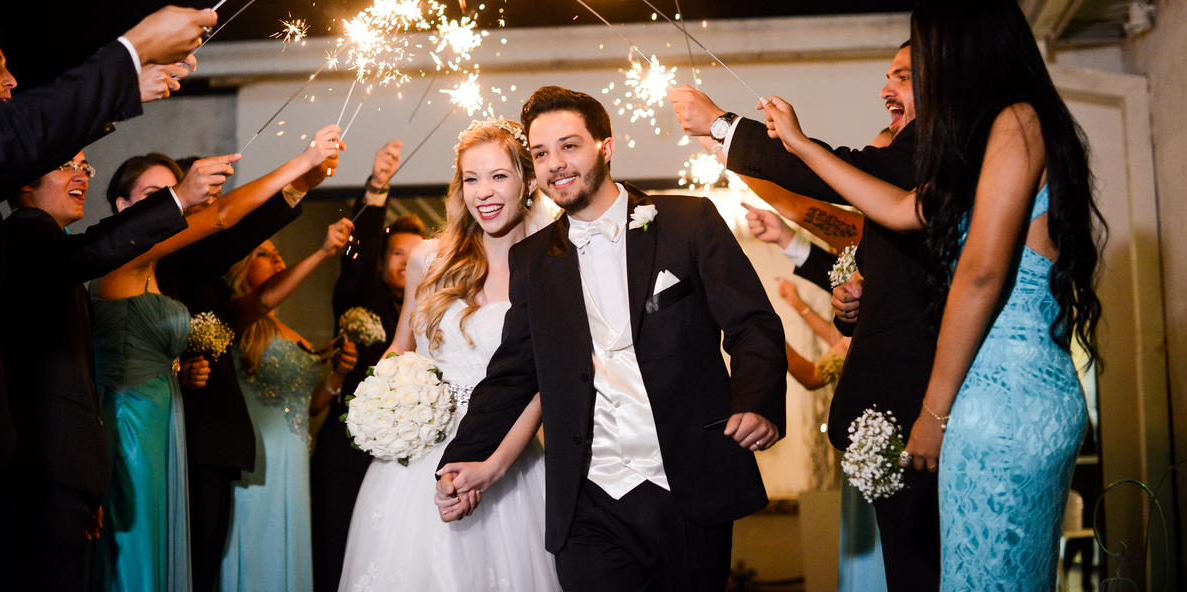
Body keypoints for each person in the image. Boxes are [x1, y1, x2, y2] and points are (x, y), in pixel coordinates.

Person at [760, 0, 1103, 591]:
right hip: (1005, 393)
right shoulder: (1007, 133)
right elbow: (899, 209)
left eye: (928, 48)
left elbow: (981, 274)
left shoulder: (1017, 121)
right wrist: (800, 145)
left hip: (1001, 400)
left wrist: (934, 413)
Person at [438, 89, 788, 592]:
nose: (555, 164)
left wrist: (756, 402)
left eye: (569, 146)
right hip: (587, 499)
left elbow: (752, 323)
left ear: (606, 147)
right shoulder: (533, 260)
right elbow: (514, 371)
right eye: (540, 154)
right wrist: (462, 458)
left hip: (687, 484)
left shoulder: (689, 222)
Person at [670, 43, 940, 591]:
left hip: (921, 415)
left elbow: (822, 193)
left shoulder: (928, 165)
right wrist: (850, 303)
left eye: (903, 78)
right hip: (886, 419)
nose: (886, 91)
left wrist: (725, 126)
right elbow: (864, 259)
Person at [90, 127, 342, 592]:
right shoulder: (113, 260)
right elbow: (223, 217)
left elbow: (225, 232)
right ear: (123, 208)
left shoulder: (165, 264)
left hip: (174, 424)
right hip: (133, 423)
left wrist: (299, 184)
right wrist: (300, 163)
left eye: (175, 191)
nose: (174, 203)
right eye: (157, 194)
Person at [0, 6, 213, 474]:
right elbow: (23, 136)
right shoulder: (27, 228)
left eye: (85, 167)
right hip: (42, 458)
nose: (11, 81)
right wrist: (136, 51)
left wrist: (126, 92)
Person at [338, 118, 560, 592]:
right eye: (471, 178)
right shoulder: (428, 258)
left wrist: (495, 464)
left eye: (499, 175)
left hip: (505, 451)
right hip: (417, 455)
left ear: (527, 180)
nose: (484, 192)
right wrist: (383, 400)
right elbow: (403, 347)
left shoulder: (552, 268)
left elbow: (543, 385)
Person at [0, 150, 216, 592]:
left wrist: (86, 479)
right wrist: (179, 198)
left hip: (61, 467)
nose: (81, 176)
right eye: (64, 164)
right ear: (22, 183)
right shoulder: (27, 229)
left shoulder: (52, 245)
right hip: (41, 468)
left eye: (86, 167)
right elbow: (98, 248)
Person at [158, 153, 338, 592]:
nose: (214, 207)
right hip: (185, 440)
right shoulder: (164, 267)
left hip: (225, 445)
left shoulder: (209, 281)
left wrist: (319, 246)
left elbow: (256, 303)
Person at [217, 225, 359, 592]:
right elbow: (263, 300)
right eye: (263, 253)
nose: (276, 257)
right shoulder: (236, 319)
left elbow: (309, 406)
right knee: (257, 549)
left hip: (295, 459)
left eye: (277, 252)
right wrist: (323, 250)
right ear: (241, 266)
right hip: (259, 457)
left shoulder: (283, 327)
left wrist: (338, 374)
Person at [313, 141, 422, 592]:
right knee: (337, 558)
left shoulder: (433, 315)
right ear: (382, 261)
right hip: (346, 456)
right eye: (398, 255)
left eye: (416, 257)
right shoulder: (362, 295)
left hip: (406, 463)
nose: (407, 264)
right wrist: (377, 188)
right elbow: (357, 255)